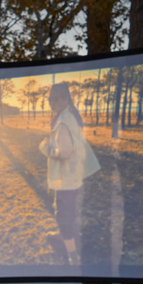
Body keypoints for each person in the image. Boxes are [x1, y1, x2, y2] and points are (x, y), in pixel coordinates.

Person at [38, 82, 102, 265]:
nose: (52, 102)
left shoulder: (64, 121)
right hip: (72, 176)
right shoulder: (68, 116)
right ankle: (64, 237)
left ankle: (73, 255)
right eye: (50, 99)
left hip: (66, 178)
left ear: (66, 99)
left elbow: (65, 153)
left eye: (56, 99)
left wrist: (44, 147)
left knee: (63, 214)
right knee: (69, 212)